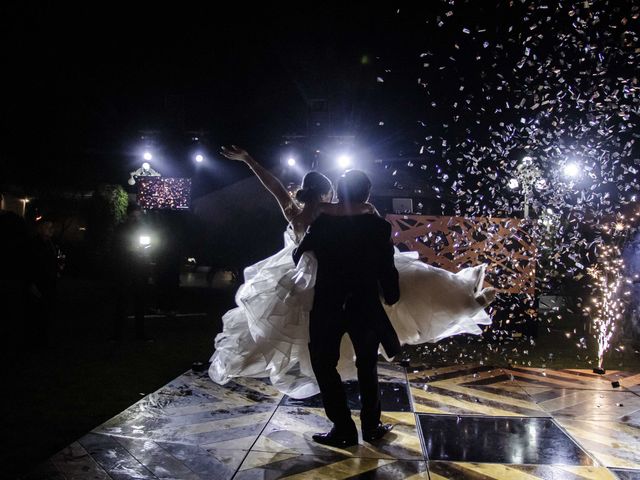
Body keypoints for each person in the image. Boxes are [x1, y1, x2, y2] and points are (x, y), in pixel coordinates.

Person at [208, 145, 496, 398]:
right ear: (327, 193)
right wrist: (366, 209)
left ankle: (346, 390)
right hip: (346, 281)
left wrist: (248, 160)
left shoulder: (297, 212)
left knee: (317, 346)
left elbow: (274, 186)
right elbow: (359, 216)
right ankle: (461, 301)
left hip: (312, 286)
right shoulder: (334, 211)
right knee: (405, 287)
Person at [293, 170, 399, 447]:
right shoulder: (379, 227)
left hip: (328, 304)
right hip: (364, 306)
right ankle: (372, 426)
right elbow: (387, 267)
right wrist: (392, 295)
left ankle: (343, 427)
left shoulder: (322, 224)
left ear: (339, 192)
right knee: (367, 365)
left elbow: (298, 254)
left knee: (324, 364)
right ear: (367, 195)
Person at [111, 204, 152, 341]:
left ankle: (139, 334)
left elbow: (149, 245)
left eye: (139, 215)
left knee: (139, 303)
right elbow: (116, 248)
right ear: (128, 215)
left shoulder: (142, 228)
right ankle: (118, 333)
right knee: (121, 303)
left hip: (139, 269)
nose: (137, 218)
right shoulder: (121, 228)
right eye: (134, 215)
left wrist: (146, 250)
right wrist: (131, 248)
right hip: (124, 269)